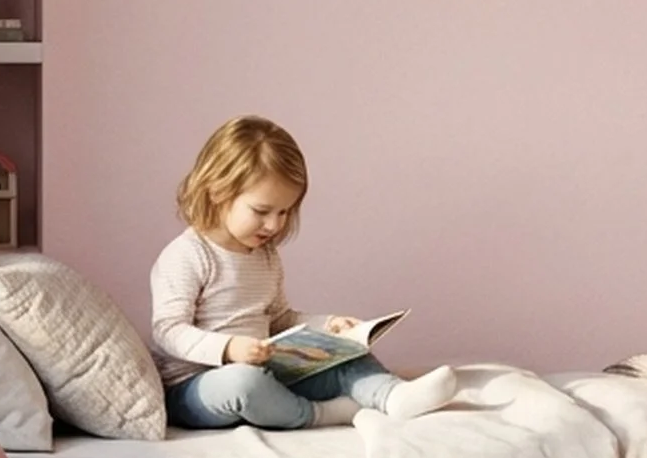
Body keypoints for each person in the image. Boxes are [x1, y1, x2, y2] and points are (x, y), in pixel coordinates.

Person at [150, 114, 458, 428]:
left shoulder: (264, 257)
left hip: (263, 368)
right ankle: (320, 414)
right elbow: (168, 330)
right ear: (218, 192)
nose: (274, 224)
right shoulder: (187, 255)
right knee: (242, 383)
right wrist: (229, 349)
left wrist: (329, 327)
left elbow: (279, 318)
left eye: (284, 211)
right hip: (197, 389)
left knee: (347, 356)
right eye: (261, 211)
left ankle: (392, 396)